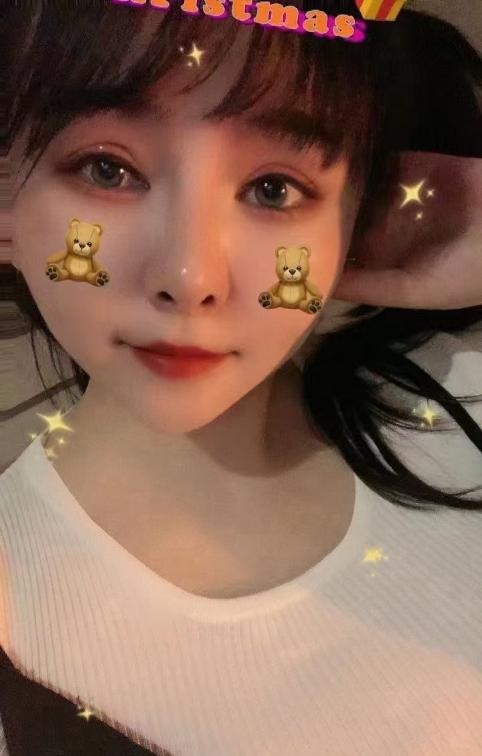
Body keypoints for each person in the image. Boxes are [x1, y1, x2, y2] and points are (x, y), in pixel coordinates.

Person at [1, 1, 482, 754]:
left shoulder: (463, 410)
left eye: (273, 190)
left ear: (360, 217)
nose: (191, 278)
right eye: (108, 170)